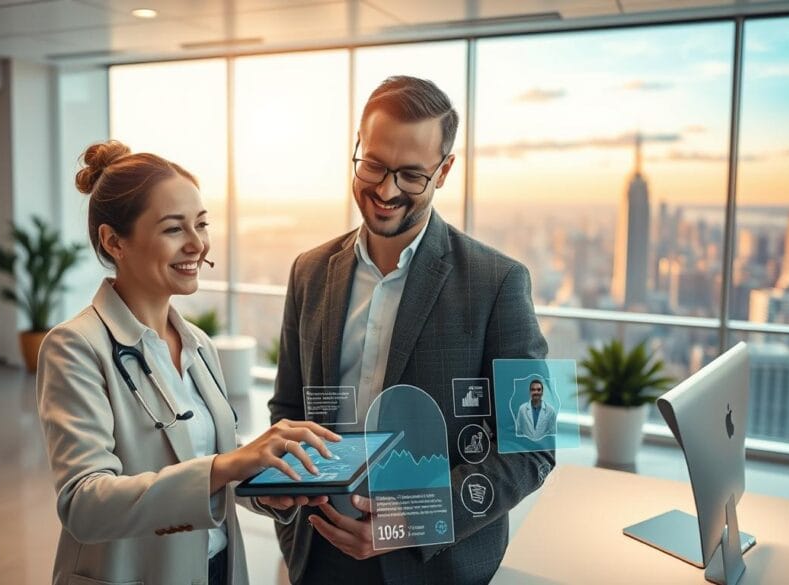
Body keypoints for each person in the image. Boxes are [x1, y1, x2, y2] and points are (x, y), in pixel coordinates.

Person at [268, 76, 554, 585]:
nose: (385, 190)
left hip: (435, 563)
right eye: (374, 165)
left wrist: (412, 523)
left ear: (444, 171)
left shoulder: (499, 282)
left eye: (411, 175)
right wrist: (285, 503)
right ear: (357, 146)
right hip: (319, 552)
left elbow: (532, 448)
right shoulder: (308, 271)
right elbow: (289, 409)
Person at [36, 141, 339, 585]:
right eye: (174, 229)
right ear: (114, 241)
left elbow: (209, 461)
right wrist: (228, 465)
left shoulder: (198, 344)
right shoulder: (75, 347)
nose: (197, 244)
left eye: (201, 224)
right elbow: (84, 505)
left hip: (217, 568)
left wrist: (264, 488)